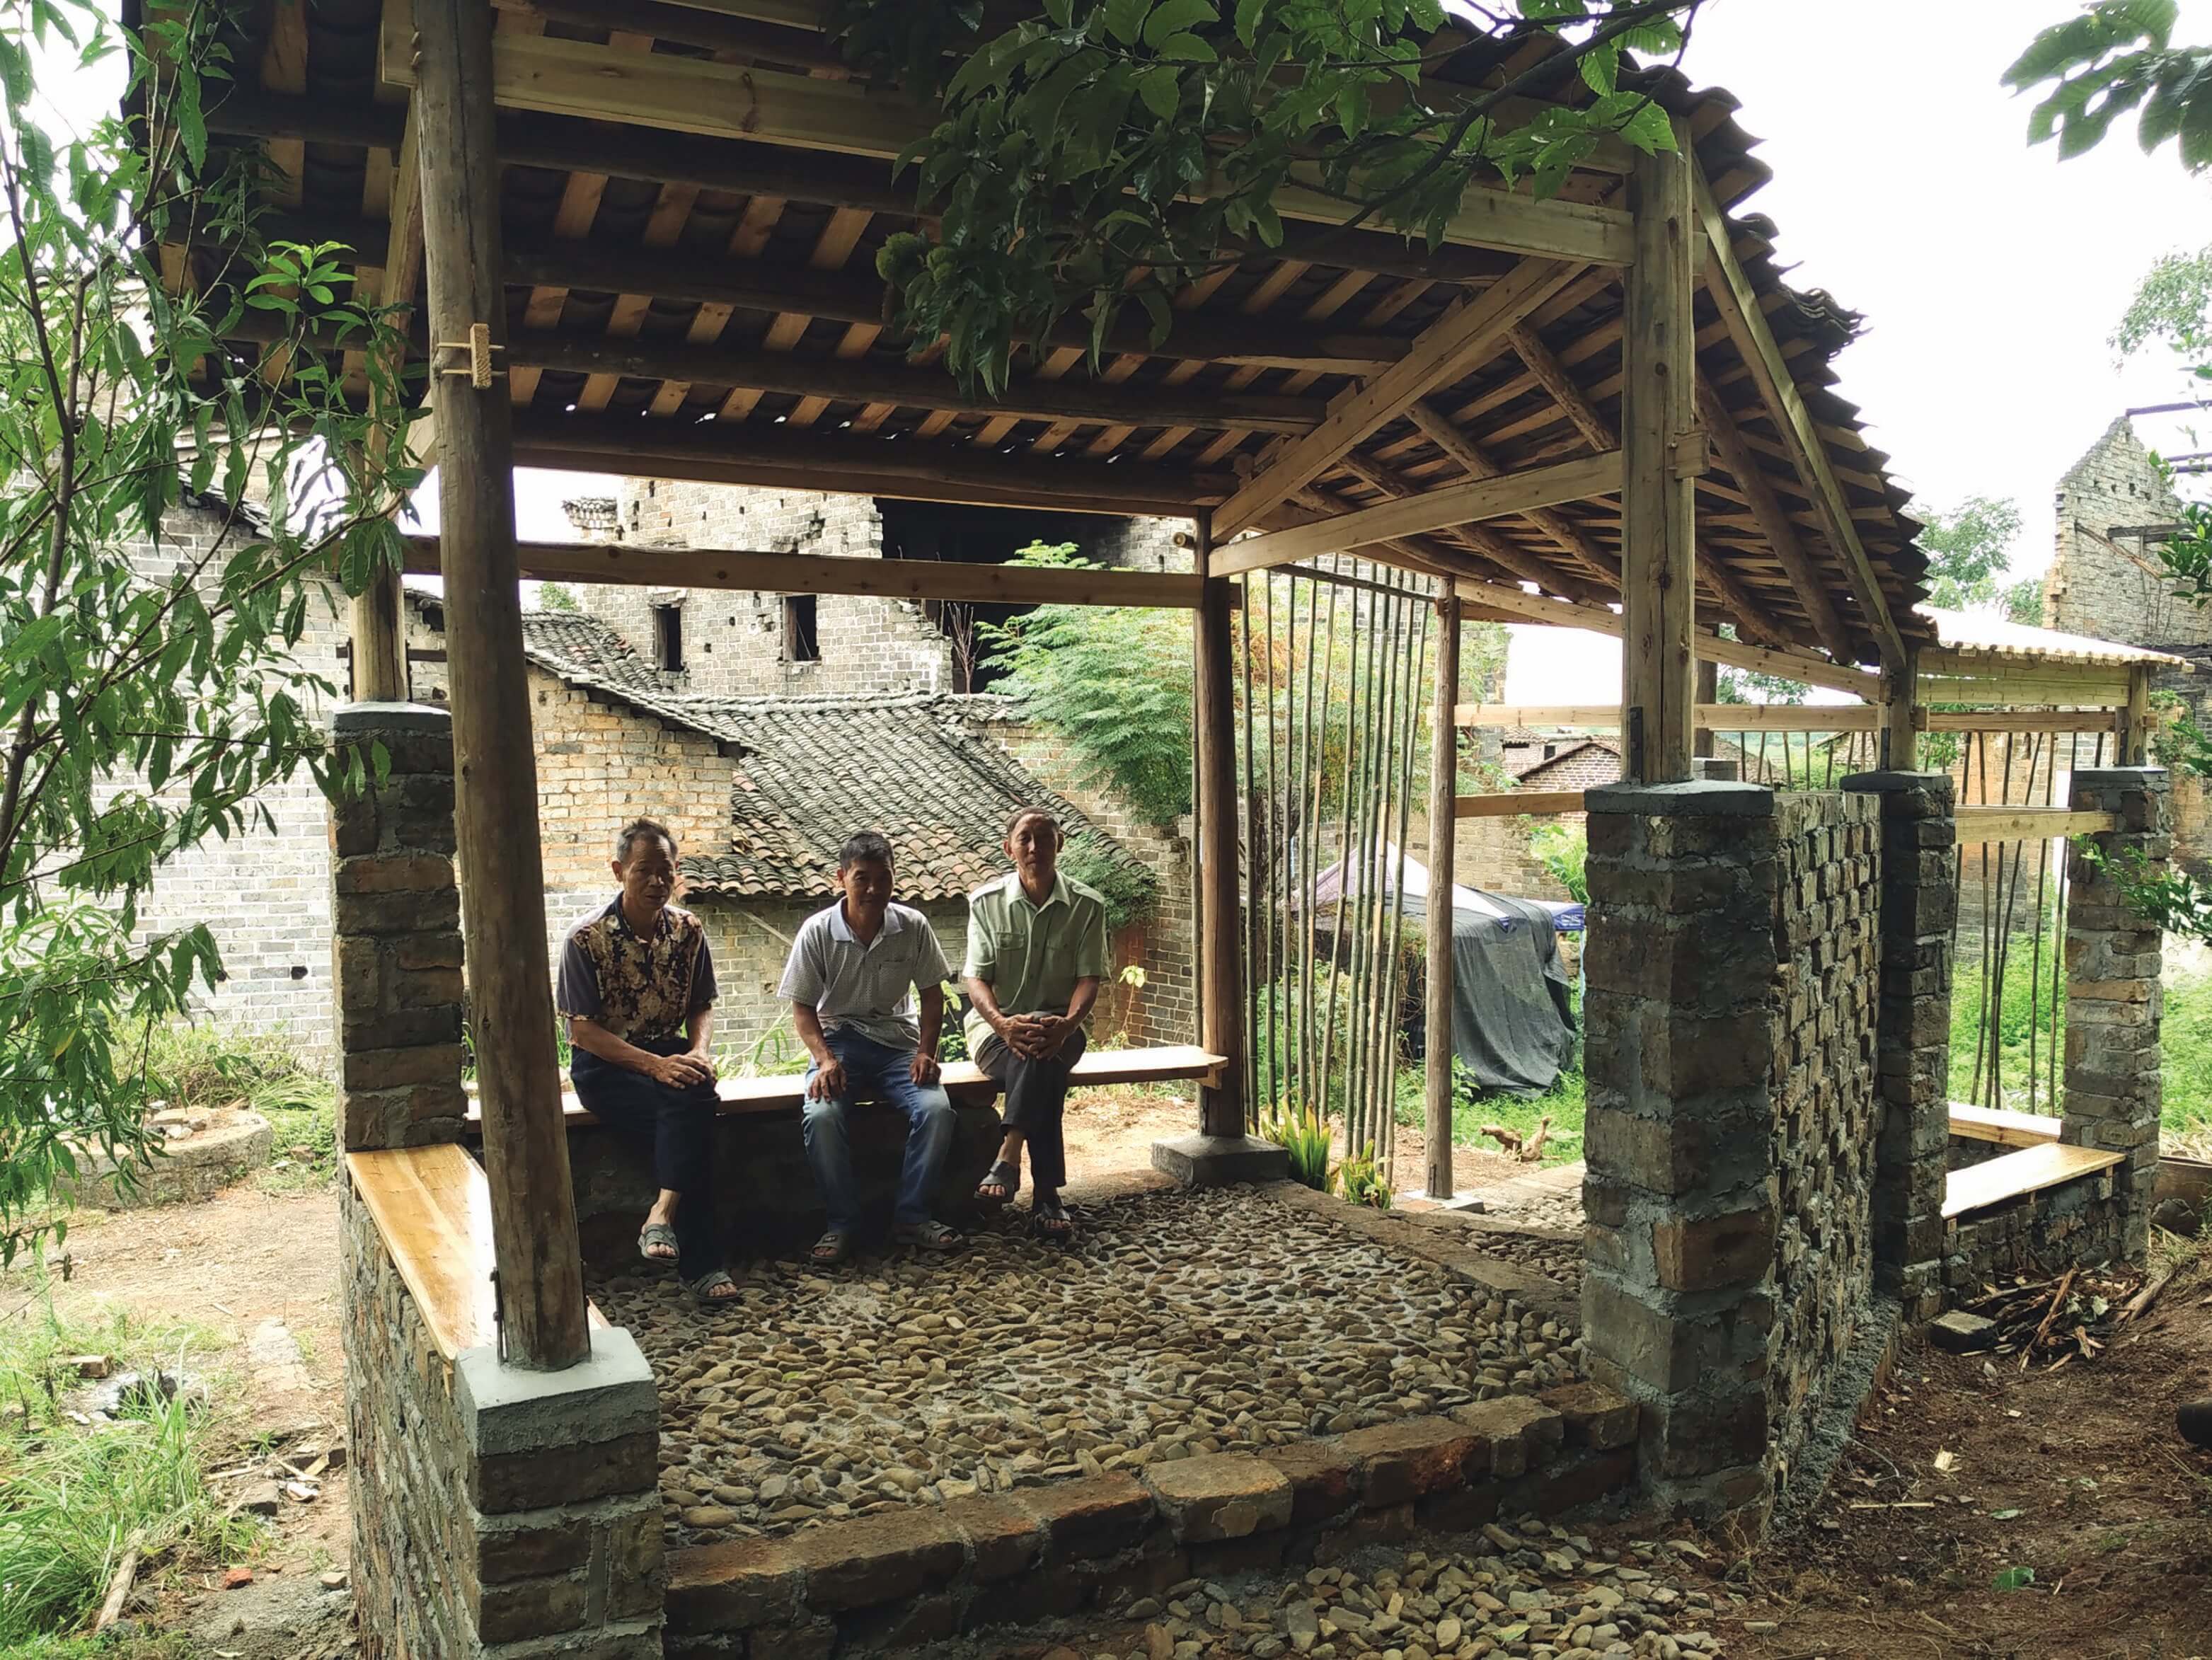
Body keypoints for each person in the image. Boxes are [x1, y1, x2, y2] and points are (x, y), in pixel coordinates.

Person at [555, 817, 736, 1305]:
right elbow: (583, 1032)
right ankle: (703, 1264)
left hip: (669, 1052)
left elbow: (701, 1004)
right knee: (692, 1118)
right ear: (619, 871)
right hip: (605, 1065)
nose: (657, 881)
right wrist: (656, 1068)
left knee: (693, 1094)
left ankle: (662, 1215)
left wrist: (698, 1051)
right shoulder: (586, 939)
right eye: (643, 871)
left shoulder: (688, 930)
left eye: (665, 870)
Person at [779, 831, 961, 1266]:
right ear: (841, 878)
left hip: (898, 1045)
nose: (874, 889)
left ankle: (912, 1217)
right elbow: (802, 1008)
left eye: (884, 879)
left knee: (937, 1111)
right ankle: (842, 1223)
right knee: (821, 1115)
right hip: (838, 1044)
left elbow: (932, 995)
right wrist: (825, 1060)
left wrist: (927, 1052)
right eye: (862, 878)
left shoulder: (912, 926)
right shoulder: (817, 932)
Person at [964, 806, 1108, 1241]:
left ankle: (1009, 1154)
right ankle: (1046, 1196)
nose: (1034, 847)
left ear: (1059, 845)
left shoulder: (1087, 905)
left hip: (1064, 1030)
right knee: (1044, 1066)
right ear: (1009, 849)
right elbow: (976, 979)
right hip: (995, 1033)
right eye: (1024, 839)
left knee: (1043, 1046)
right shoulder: (986, 904)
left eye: (1044, 838)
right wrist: (1003, 1025)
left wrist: (1067, 1024)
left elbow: (1089, 979)